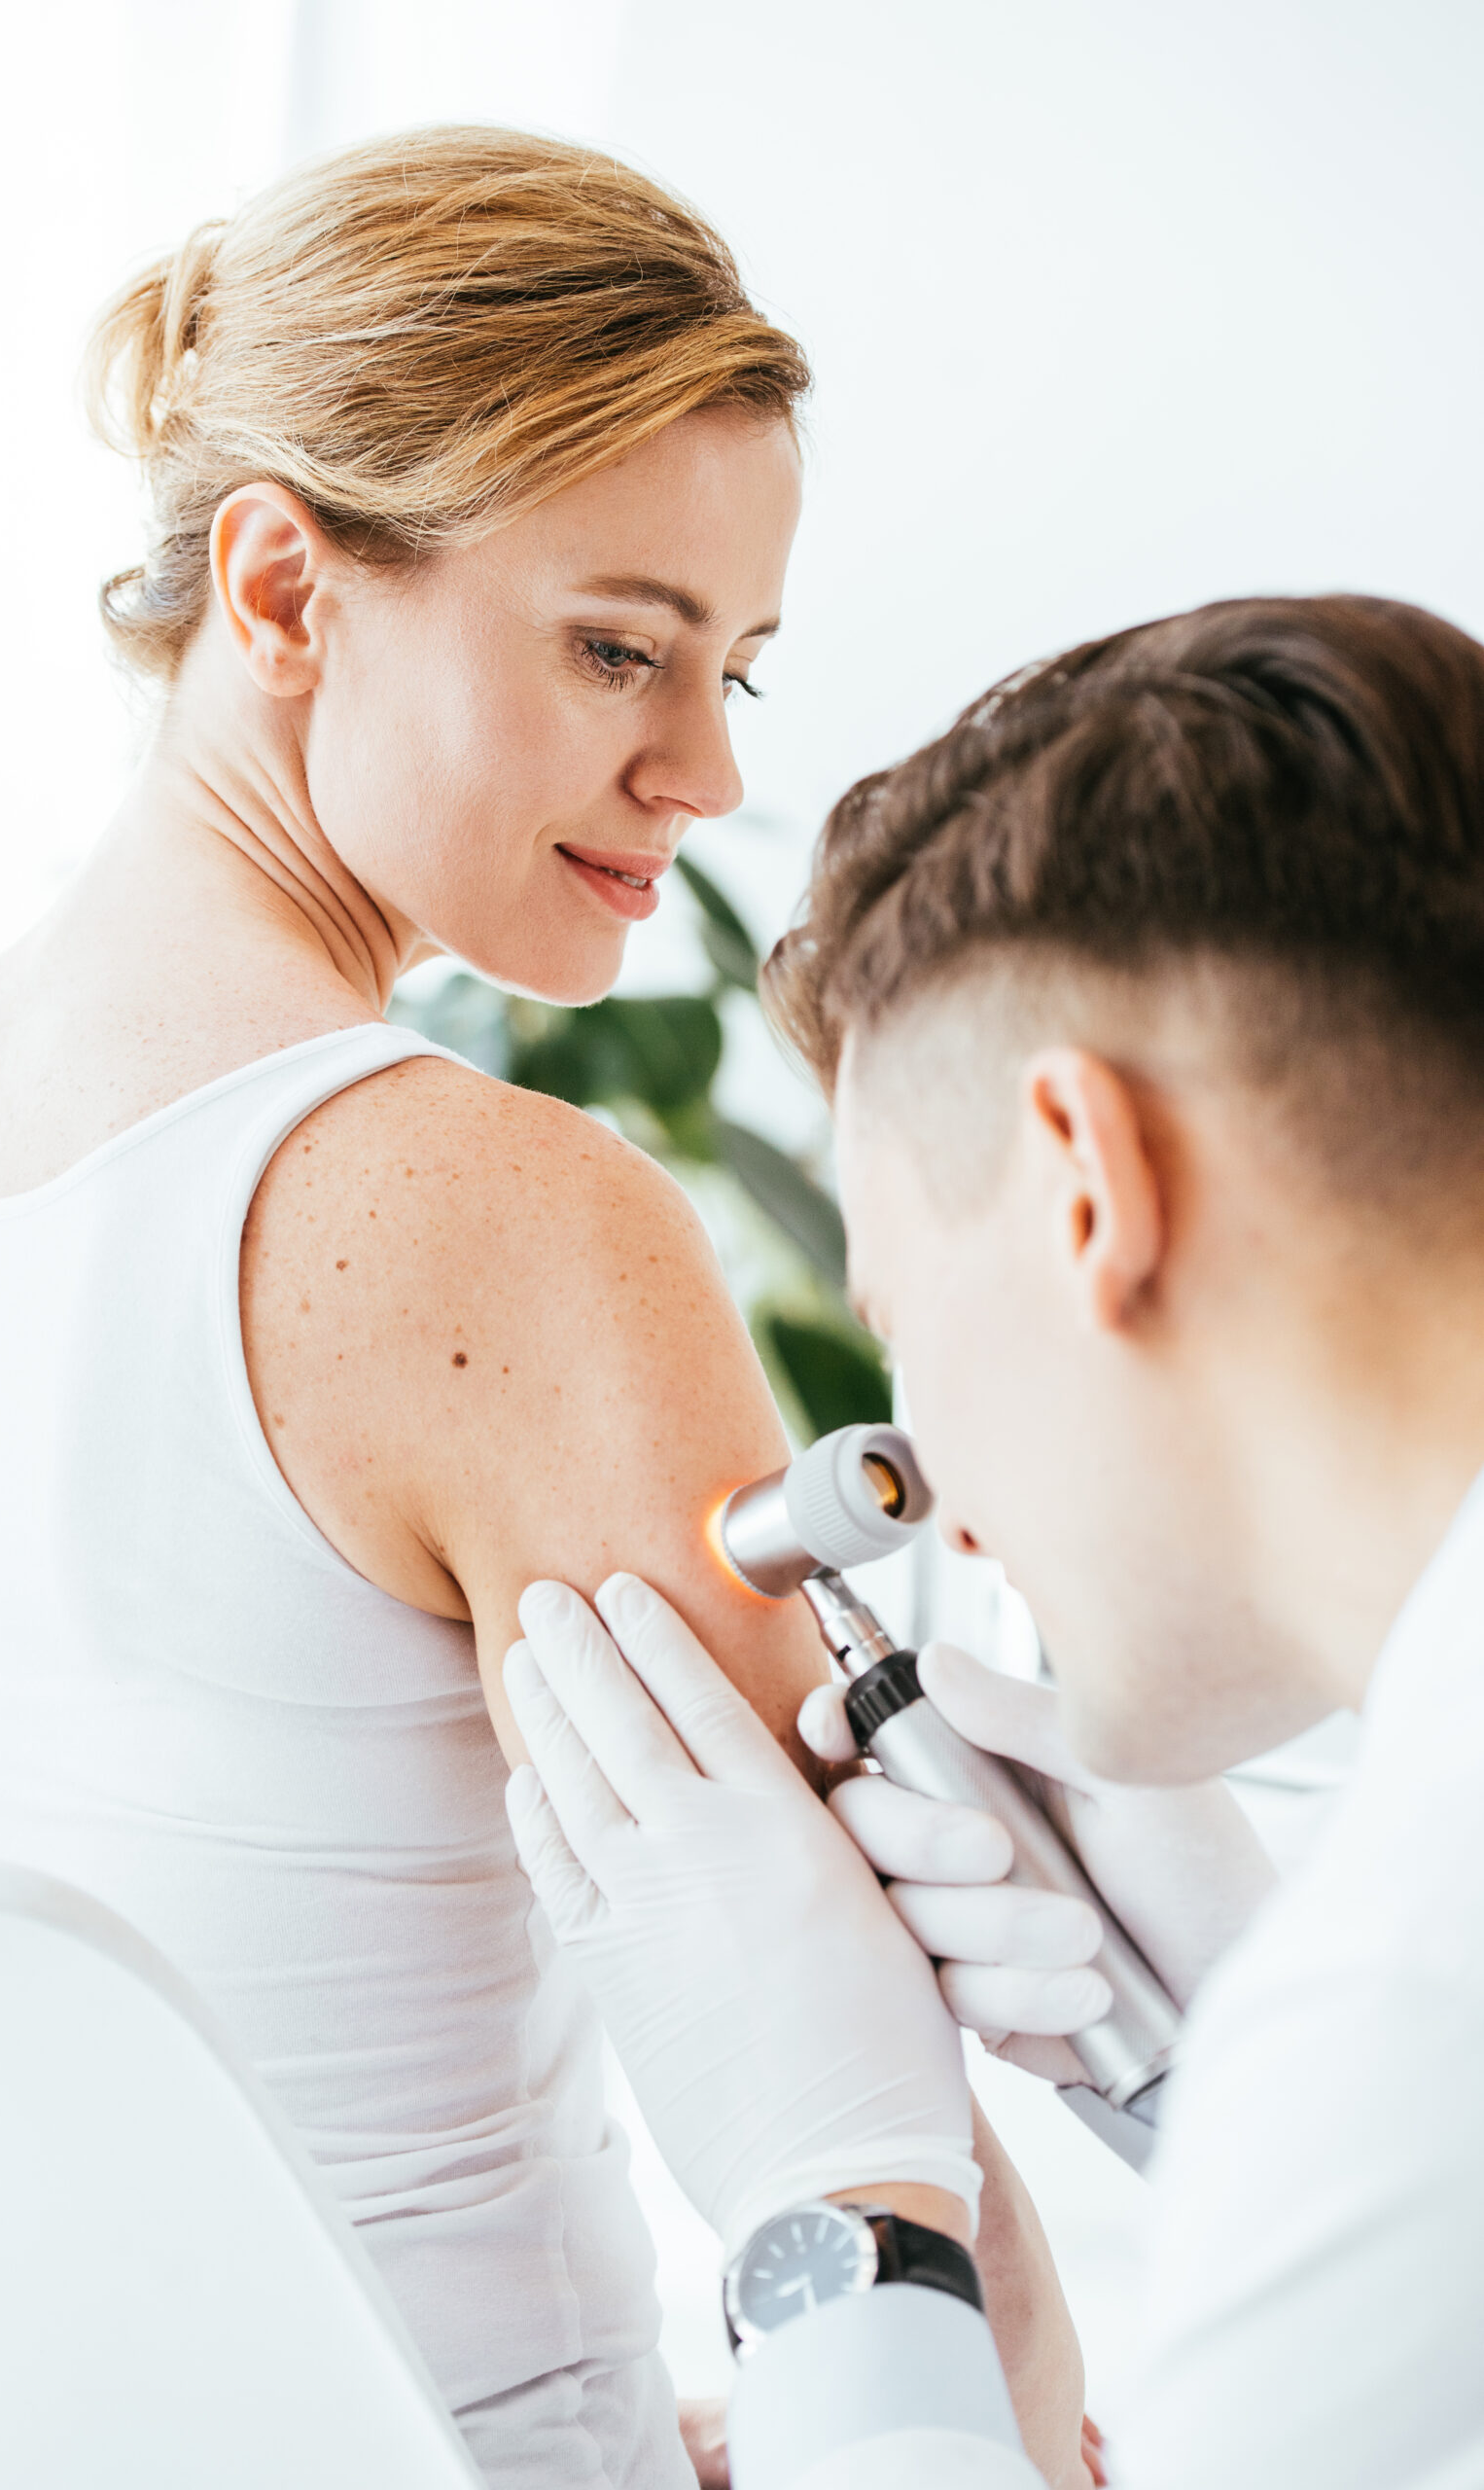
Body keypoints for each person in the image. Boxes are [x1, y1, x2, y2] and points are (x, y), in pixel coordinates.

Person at [0, 126, 851, 2490]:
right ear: (283, 585)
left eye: (738, 670)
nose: (700, 769)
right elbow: (856, 2132)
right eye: (621, 644)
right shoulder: (495, 1216)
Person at [503, 594, 1484, 2488]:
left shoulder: (1413, 1999)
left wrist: (839, 2228)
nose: (930, 1472)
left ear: (1083, 1175)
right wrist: (1216, 2076)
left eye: (904, 1317)